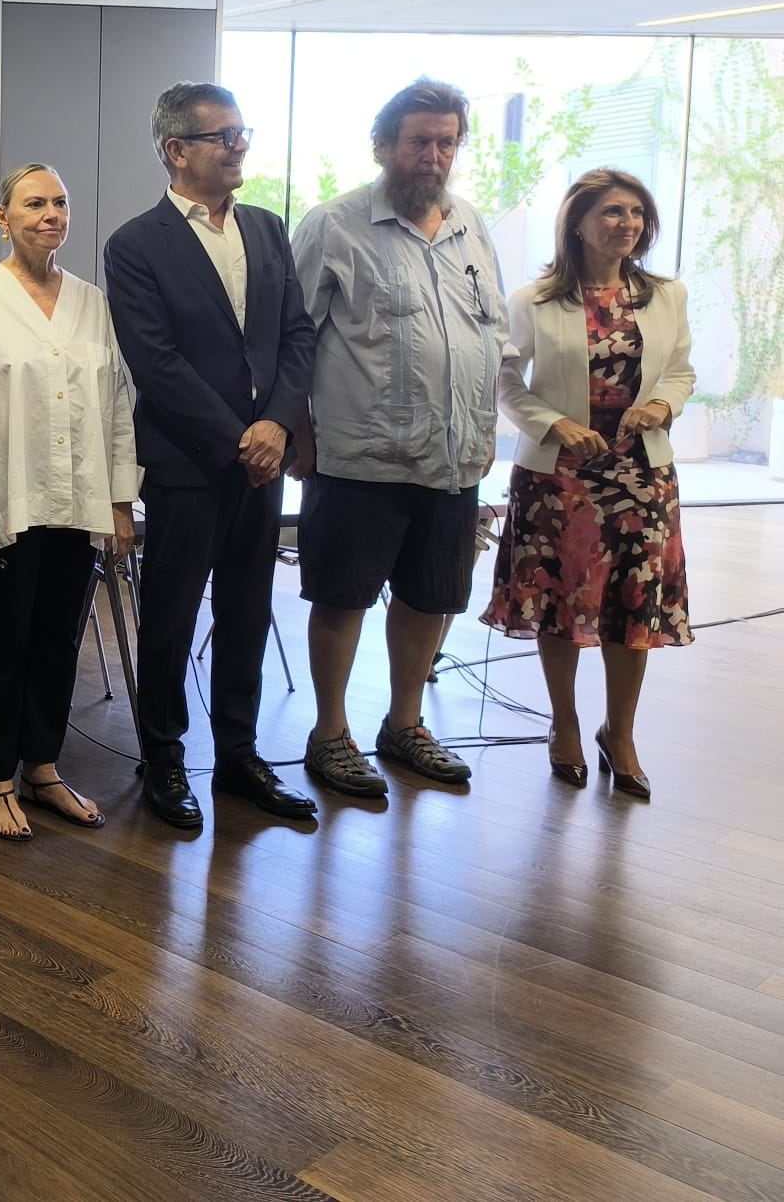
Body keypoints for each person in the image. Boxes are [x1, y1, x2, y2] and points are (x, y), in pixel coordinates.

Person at [105, 85, 319, 829]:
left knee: (247, 613)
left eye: (241, 132)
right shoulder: (135, 244)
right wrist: (243, 437)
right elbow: (156, 364)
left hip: (263, 460)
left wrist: (279, 426)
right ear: (177, 150)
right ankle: (164, 757)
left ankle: (238, 756)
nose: (239, 146)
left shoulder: (266, 229)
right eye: (223, 135)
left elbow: (296, 336)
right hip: (189, 462)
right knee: (167, 619)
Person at [289, 78, 507, 798]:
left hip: (453, 459)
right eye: (419, 141)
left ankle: (404, 725)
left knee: (431, 596)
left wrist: (486, 434)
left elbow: (492, 334)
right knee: (344, 597)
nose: (433, 155)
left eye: (446, 142)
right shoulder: (335, 225)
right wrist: (298, 432)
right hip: (360, 458)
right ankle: (329, 733)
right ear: (384, 146)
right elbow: (292, 340)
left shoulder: (471, 225)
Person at [0, 163, 140, 840]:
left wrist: (118, 500)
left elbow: (115, 404)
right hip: (7, 502)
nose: (50, 213)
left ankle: (42, 767)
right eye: (34, 203)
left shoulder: (91, 301)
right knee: (2, 641)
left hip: (76, 500)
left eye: (60, 201)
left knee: (58, 639)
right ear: (2, 217)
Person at [481, 170, 693, 799]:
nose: (627, 223)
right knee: (560, 604)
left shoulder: (666, 295)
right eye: (611, 212)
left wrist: (662, 406)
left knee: (634, 607)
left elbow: (680, 371)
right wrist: (556, 424)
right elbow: (507, 384)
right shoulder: (533, 301)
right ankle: (564, 724)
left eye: (636, 212)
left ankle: (619, 733)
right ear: (577, 222)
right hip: (559, 477)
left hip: (642, 473)